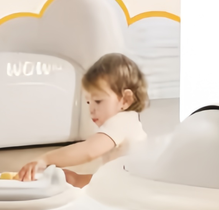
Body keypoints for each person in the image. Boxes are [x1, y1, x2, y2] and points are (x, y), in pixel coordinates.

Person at [17, 53, 148, 187]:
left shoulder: (122, 121)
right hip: (124, 184)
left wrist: (45, 159)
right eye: (88, 102)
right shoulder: (127, 123)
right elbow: (112, 179)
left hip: (132, 188)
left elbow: (89, 150)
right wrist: (76, 179)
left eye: (98, 101)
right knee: (71, 179)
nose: (91, 109)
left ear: (125, 100)